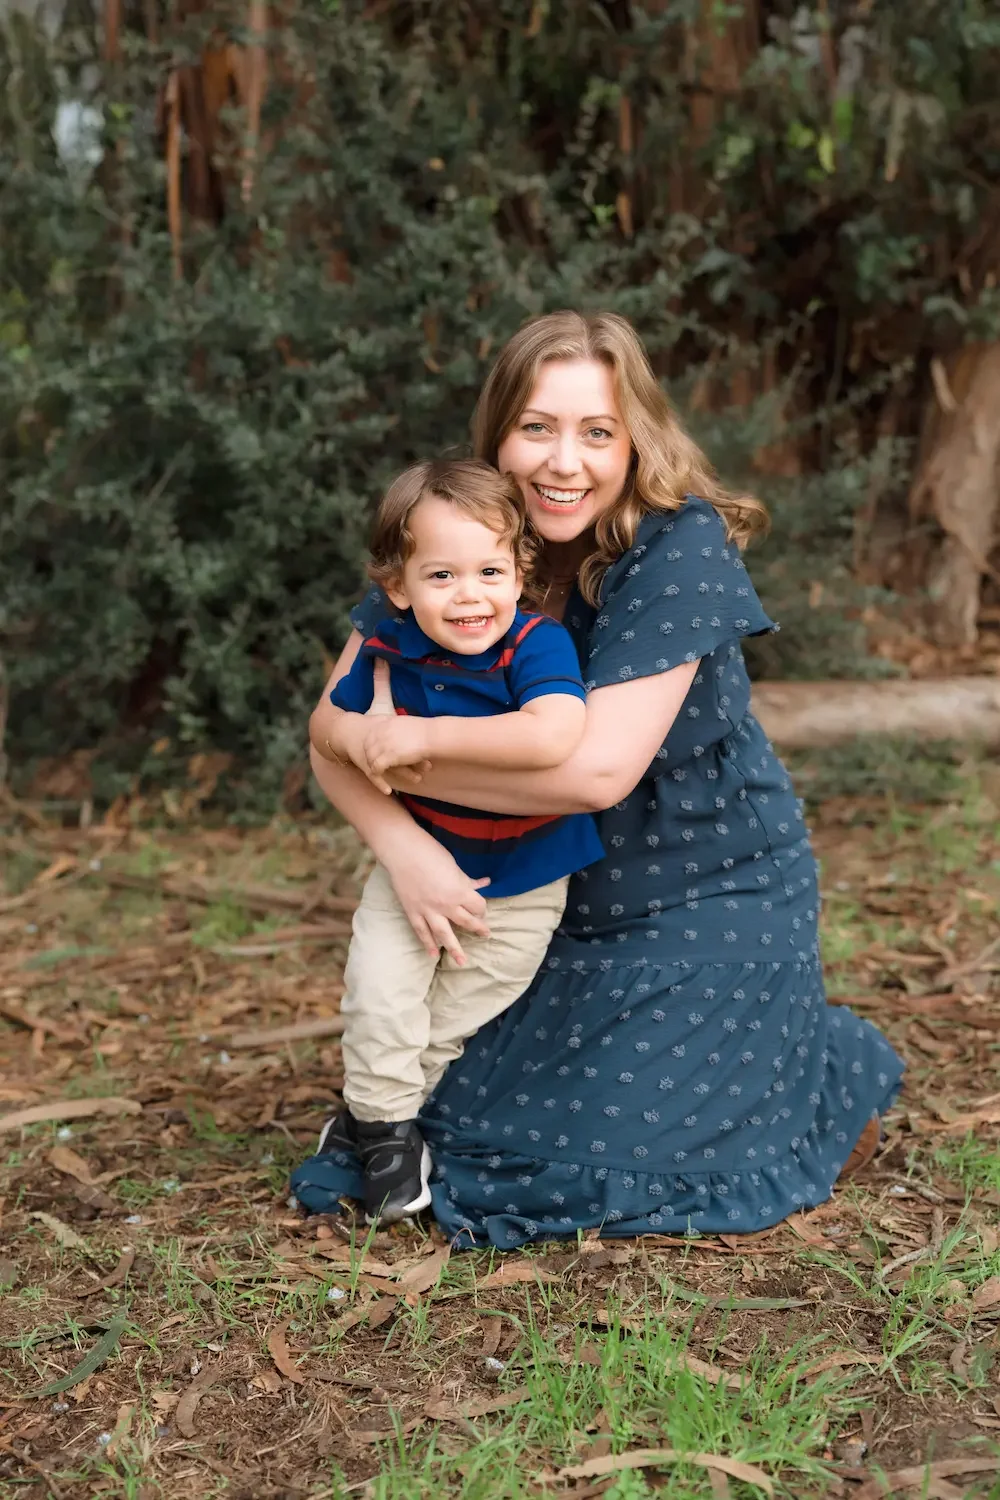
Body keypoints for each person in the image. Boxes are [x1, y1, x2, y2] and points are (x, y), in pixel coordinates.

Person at [291, 311, 904, 1246]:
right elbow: (331, 730)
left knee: (581, 1163)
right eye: (537, 427)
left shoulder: (678, 546)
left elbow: (594, 774)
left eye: (597, 432)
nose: (563, 462)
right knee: (445, 1128)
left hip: (700, 883)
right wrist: (403, 845)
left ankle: (801, 1054)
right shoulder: (454, 535)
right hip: (524, 881)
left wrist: (398, 746)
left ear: (634, 440)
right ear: (498, 433)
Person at [308, 457, 604, 1222]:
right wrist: (362, 733)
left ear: (519, 572)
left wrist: (423, 737)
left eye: (489, 571)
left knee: (457, 1009)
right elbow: (328, 731)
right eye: (441, 577)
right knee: (379, 991)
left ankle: (371, 1124)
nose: (469, 595)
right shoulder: (389, 644)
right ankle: (387, 1136)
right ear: (399, 588)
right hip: (418, 855)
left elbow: (553, 733)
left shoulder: (534, 645)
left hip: (527, 875)